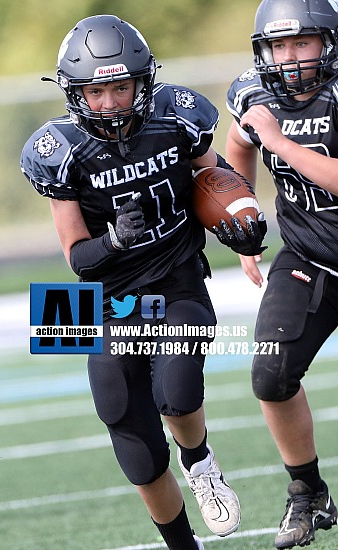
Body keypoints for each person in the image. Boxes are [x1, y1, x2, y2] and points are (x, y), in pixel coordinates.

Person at [21, 15, 266, 549]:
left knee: (176, 396)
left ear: (143, 80)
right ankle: (182, 545)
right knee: (131, 439)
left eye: (120, 86)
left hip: (175, 277)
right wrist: (113, 241)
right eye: (96, 90)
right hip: (95, 300)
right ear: (74, 92)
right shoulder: (58, 149)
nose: (109, 102)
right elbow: (77, 260)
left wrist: (242, 218)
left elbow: (217, 178)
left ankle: (200, 461)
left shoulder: (175, 114)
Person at [225, 0, 338, 548]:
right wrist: (242, 219)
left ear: (329, 42)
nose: (289, 58)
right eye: (278, 46)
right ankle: (308, 494)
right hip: (310, 256)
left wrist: (280, 142)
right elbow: (237, 146)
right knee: (271, 374)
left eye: (302, 44)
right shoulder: (254, 93)